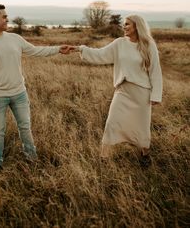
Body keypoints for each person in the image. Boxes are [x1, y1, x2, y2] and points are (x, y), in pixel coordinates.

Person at [0, 4, 69, 170]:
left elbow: (36, 51)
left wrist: (58, 49)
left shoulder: (15, 39)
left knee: (25, 127)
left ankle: (32, 160)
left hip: (19, 94)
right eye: (4, 17)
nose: (7, 19)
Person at [68, 15, 162, 163]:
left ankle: (145, 155)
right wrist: (80, 49)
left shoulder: (149, 45)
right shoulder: (119, 43)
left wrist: (156, 95)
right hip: (122, 92)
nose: (124, 27)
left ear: (137, 26)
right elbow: (100, 54)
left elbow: (155, 71)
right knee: (112, 123)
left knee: (142, 127)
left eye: (127, 24)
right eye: (123, 24)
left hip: (142, 94)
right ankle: (103, 158)